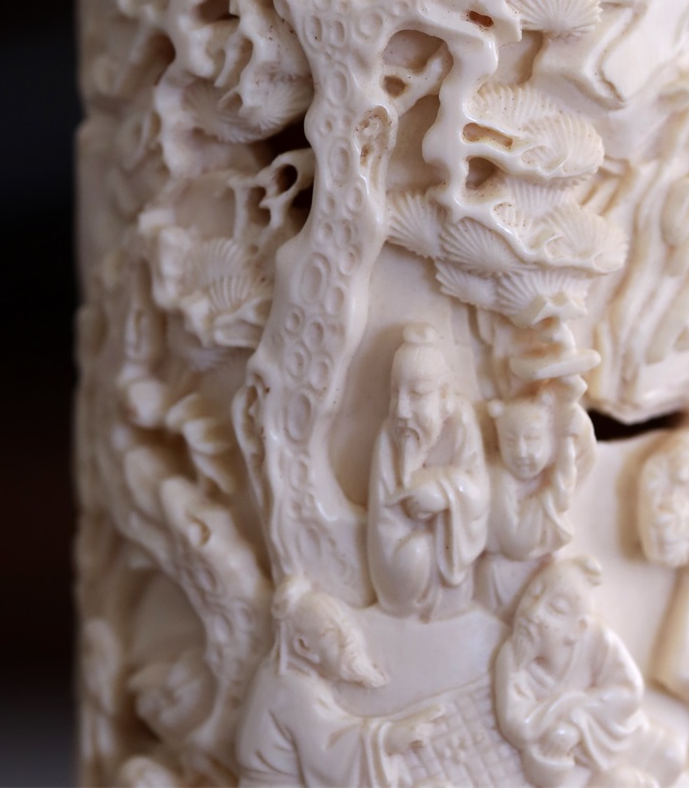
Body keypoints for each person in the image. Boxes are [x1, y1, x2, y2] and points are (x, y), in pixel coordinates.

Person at [235, 578, 439, 788]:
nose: (347, 640)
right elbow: (329, 751)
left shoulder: (280, 671)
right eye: (331, 634)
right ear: (303, 646)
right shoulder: (292, 687)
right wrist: (388, 738)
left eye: (345, 625)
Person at [493, 556, 663, 788]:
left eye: (556, 609)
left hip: (619, 736)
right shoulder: (513, 654)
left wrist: (576, 721)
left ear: (578, 627)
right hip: (571, 765)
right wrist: (562, 710)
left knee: (671, 757)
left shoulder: (596, 639)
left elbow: (629, 691)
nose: (533, 612)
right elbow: (518, 726)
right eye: (533, 595)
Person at [367, 323, 490, 619]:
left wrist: (444, 493)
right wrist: (408, 507)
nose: (402, 410)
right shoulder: (390, 435)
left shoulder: (460, 423)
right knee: (417, 551)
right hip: (401, 555)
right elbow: (382, 518)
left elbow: (478, 491)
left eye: (418, 394)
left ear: (444, 394)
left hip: (449, 555)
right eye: (396, 393)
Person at [481, 390, 596, 611]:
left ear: (551, 438)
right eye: (509, 441)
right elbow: (515, 541)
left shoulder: (550, 476)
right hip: (499, 579)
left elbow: (585, 461)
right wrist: (551, 496)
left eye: (532, 439)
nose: (521, 452)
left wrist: (578, 428)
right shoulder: (498, 479)